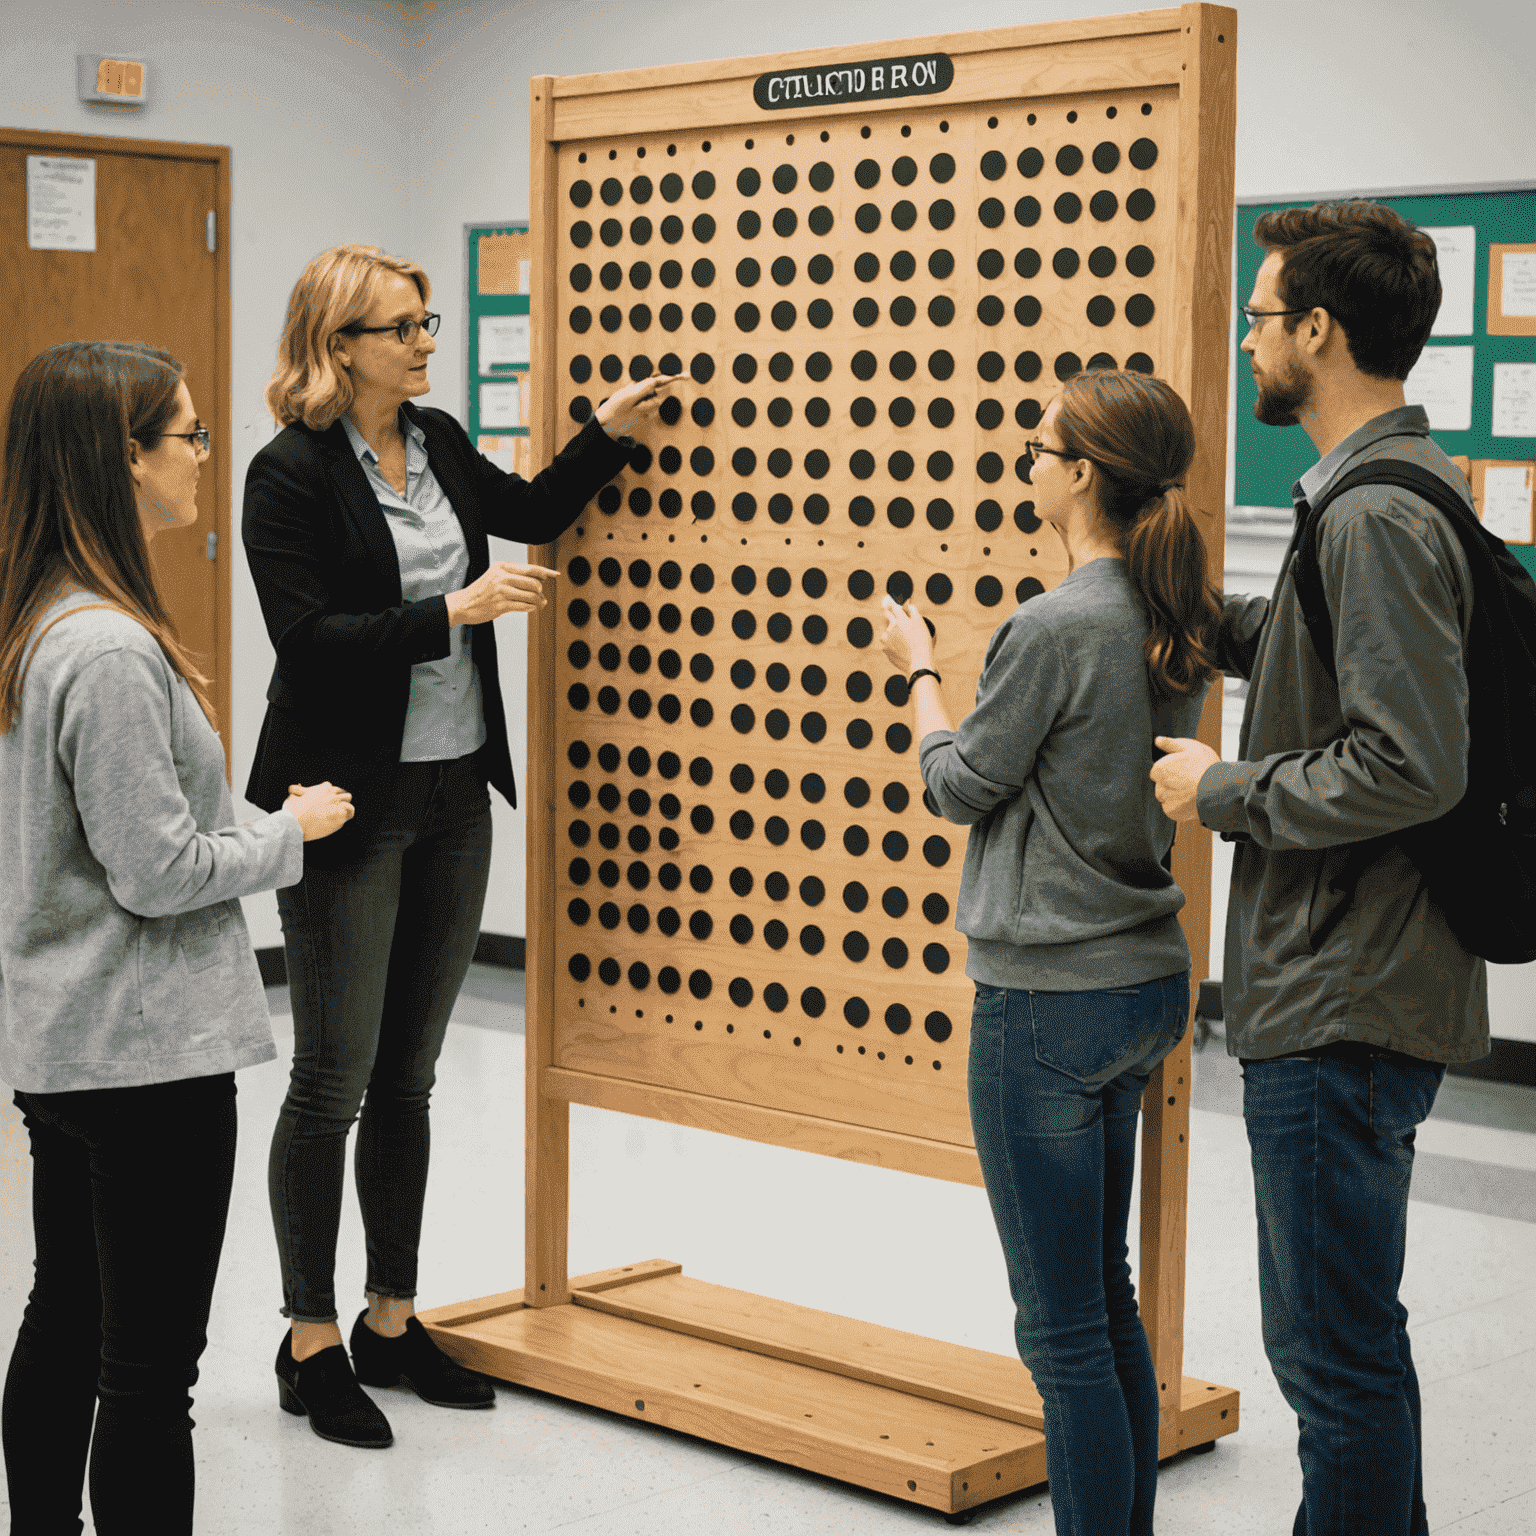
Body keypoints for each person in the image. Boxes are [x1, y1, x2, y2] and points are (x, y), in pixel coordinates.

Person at [244, 243, 681, 1450]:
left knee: (410, 1077)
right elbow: (310, 636)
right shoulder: (287, 474)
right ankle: (308, 1339)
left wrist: (604, 431)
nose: (428, 342)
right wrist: (455, 611)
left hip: (452, 795)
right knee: (330, 1080)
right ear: (339, 346)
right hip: (347, 800)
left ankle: (392, 1319)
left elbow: (531, 511)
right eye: (404, 327)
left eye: (430, 322)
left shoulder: (433, 442)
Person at [1151, 201, 1489, 1536]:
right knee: (1347, 1346)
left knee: (1332, 1360)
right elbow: (1328, 663)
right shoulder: (1379, 493)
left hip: (1344, 995)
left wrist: (1218, 788)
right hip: (1350, 982)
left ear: (1318, 331)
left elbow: (1412, 763)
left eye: (1259, 316)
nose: (1246, 342)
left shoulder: (1373, 520)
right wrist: (1191, 612)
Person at [0, 341, 353, 1536]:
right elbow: (155, 871)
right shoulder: (102, 649)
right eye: (187, 437)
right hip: (144, 1054)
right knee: (147, 1376)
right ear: (122, 459)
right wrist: (288, 831)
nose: (204, 456)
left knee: (67, 1317)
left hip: (70, 1043)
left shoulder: (38, 620)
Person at [881, 367, 1222, 1536]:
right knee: (1104, 1303)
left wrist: (918, 671)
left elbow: (960, 786)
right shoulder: (1175, 610)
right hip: (1143, 983)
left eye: (1038, 446)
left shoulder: (1055, 622)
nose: (1025, 462)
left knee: (1061, 1332)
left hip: (1046, 1007)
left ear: (1080, 475)